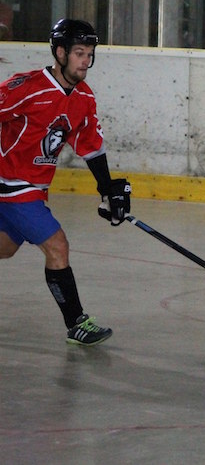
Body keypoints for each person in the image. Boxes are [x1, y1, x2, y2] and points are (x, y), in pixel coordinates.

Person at [0, 19, 131, 346]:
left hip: (31, 189)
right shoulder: (29, 86)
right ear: (60, 53)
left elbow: (90, 146)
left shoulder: (83, 98)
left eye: (89, 54)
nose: (85, 60)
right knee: (57, 246)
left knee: (4, 249)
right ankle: (77, 323)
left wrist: (107, 189)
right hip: (12, 185)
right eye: (78, 53)